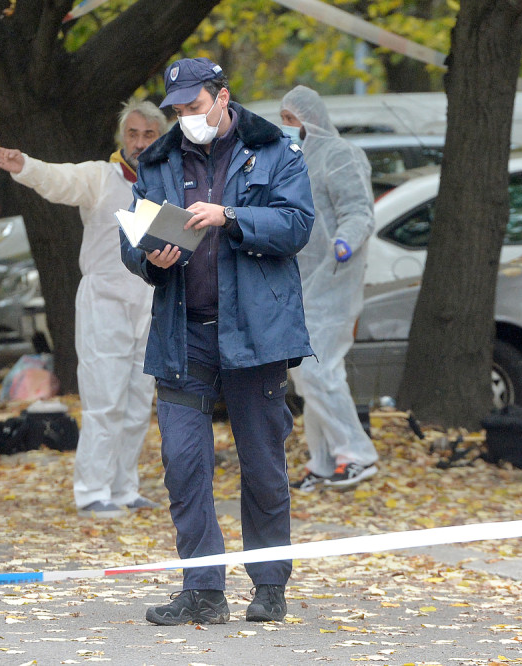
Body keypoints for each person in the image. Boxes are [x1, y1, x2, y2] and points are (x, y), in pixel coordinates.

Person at [120, 58, 315, 626]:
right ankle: (204, 589)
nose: (186, 118)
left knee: (261, 464)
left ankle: (270, 583)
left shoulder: (275, 150)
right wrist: (151, 258)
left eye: (194, 106)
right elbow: (135, 242)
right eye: (177, 110)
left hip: (256, 334)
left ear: (222, 97)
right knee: (183, 465)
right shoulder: (157, 162)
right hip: (185, 336)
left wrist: (230, 215)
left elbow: (297, 226)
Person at [0, 99, 167, 519]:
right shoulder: (101, 177)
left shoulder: (170, 182)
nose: (139, 143)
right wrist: (25, 166)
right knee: (105, 399)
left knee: (139, 401)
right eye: (133, 134)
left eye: (149, 135)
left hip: (150, 302)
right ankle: (92, 490)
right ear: (122, 137)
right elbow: (60, 179)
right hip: (104, 301)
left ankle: (124, 488)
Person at [279, 85, 380, 492]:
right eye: (283, 120)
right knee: (308, 375)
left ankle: (358, 454)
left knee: (315, 370)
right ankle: (324, 462)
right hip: (302, 282)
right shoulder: (292, 160)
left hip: (335, 279)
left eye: (292, 120)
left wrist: (345, 243)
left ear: (310, 118)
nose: (287, 128)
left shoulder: (340, 155)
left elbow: (358, 209)